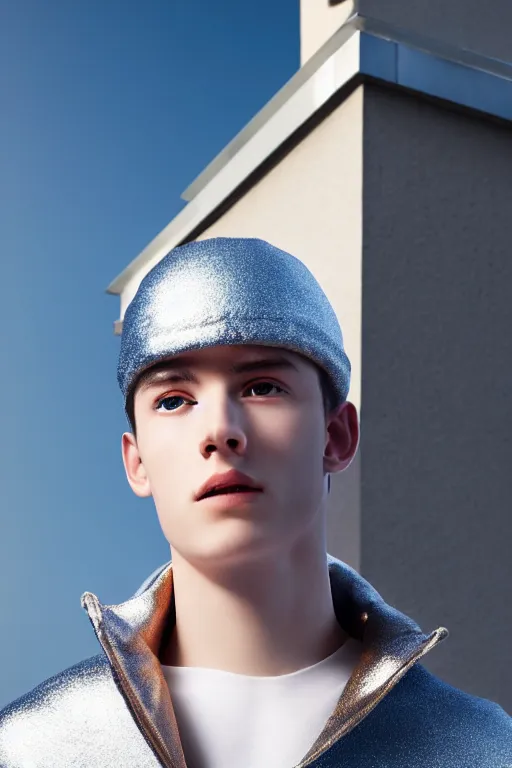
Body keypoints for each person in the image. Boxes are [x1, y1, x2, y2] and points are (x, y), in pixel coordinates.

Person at [0, 237, 510, 767]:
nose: (220, 430)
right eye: (174, 400)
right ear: (137, 462)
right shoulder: (30, 746)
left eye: (262, 387)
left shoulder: (481, 748)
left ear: (337, 437)